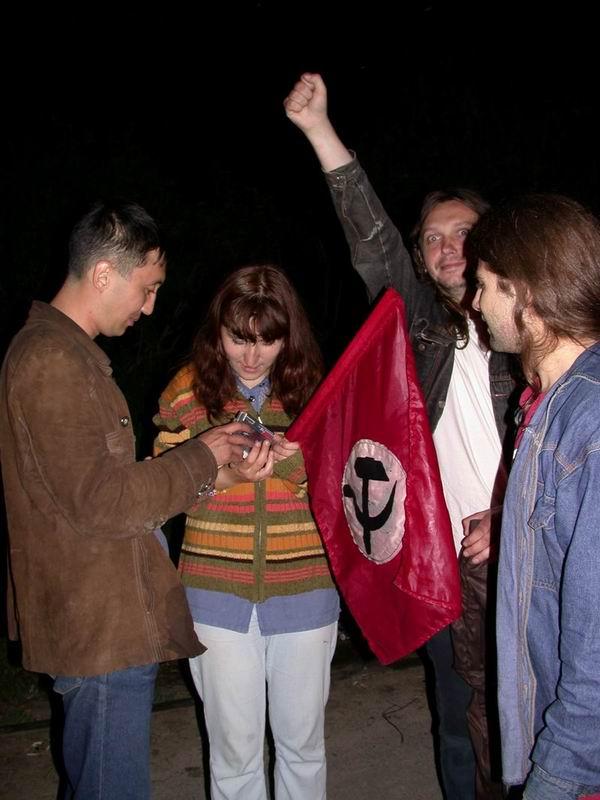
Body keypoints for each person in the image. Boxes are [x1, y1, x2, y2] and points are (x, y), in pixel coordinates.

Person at [284, 72, 518, 800]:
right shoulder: (420, 327)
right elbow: (373, 243)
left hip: (526, 553)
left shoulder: (531, 328)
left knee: (535, 715)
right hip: (444, 558)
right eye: (433, 239)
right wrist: (320, 130)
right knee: (457, 720)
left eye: (463, 233)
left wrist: (511, 512)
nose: (448, 247)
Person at [0, 200, 250, 800]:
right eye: (148, 287)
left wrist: (211, 478)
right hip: (100, 632)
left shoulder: (66, 354)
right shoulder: (52, 361)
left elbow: (93, 494)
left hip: (101, 623)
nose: (151, 306)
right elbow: (102, 502)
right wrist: (201, 455)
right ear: (104, 273)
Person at [153, 264, 339, 800]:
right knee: (233, 754)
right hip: (215, 597)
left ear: (288, 336)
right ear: (218, 331)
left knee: (303, 748)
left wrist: (296, 468)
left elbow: (347, 494)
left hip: (305, 591)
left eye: (267, 340)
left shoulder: (319, 393)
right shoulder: (185, 393)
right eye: (239, 339)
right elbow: (161, 491)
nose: (252, 356)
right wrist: (226, 476)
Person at [469, 194, 600, 799]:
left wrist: (556, 775)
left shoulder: (588, 424)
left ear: (523, 291)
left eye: (484, 285)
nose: (475, 303)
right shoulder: (543, 405)